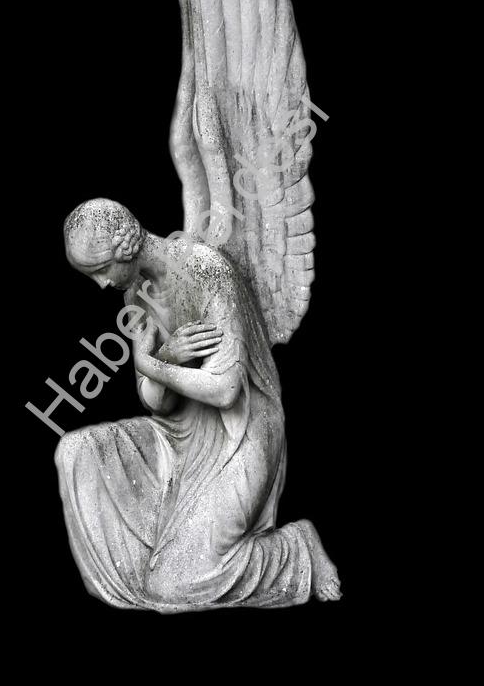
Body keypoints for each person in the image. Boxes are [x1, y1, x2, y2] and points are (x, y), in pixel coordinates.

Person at [55, 197, 340, 611]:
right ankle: (147, 571)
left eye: (101, 269)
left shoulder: (206, 270)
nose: (100, 284)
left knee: (174, 585)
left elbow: (225, 390)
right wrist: (166, 358)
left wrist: (151, 364)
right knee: (76, 450)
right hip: (179, 434)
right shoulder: (136, 295)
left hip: (239, 432)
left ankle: (296, 551)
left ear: (123, 247)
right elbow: (156, 404)